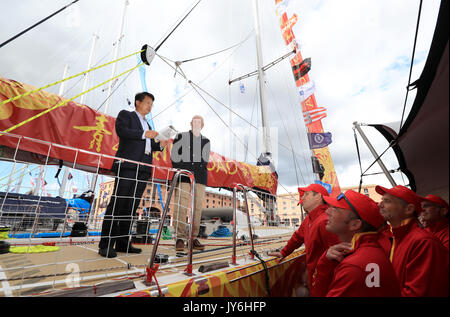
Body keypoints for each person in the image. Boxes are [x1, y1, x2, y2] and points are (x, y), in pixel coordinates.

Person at [98, 92, 167, 258]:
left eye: (152, 104)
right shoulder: (126, 115)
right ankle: (106, 244)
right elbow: (122, 131)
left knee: (131, 207)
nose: (150, 106)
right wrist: (144, 134)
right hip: (128, 165)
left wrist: (161, 145)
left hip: (143, 169)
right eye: (148, 102)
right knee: (118, 204)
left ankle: (122, 242)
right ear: (138, 102)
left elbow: (148, 146)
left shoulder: (148, 125)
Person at [311, 190, 401, 297]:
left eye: (335, 209)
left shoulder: (353, 266)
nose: (327, 212)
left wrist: (323, 264)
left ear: (354, 225)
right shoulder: (372, 251)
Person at [268, 184, 340, 296]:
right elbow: (297, 237)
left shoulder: (325, 221)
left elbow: (338, 255)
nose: (302, 198)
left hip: (327, 281)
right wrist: (284, 252)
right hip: (315, 277)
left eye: (306, 194)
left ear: (318, 197)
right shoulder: (309, 219)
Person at [376, 185, 449, 297]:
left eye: (387, 201)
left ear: (409, 209)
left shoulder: (423, 242)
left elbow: (417, 293)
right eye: (382, 200)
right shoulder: (397, 238)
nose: (380, 204)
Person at [170, 115, 210, 252]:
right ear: (191, 123)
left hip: (200, 177)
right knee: (181, 205)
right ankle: (180, 238)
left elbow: (205, 161)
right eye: (195, 121)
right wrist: (184, 170)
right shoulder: (181, 136)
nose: (197, 124)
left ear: (202, 125)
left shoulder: (206, 141)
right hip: (184, 176)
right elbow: (174, 157)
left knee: (197, 208)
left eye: (200, 122)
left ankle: (193, 238)